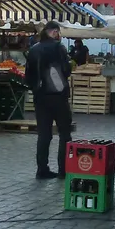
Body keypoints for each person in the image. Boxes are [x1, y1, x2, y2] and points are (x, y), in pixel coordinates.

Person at [25, 22, 73, 179]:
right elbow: (66, 71)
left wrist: (36, 88)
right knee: (64, 133)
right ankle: (63, 169)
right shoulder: (59, 48)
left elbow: (28, 76)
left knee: (44, 135)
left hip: (40, 97)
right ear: (54, 32)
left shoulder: (33, 49)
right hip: (58, 97)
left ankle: (42, 169)